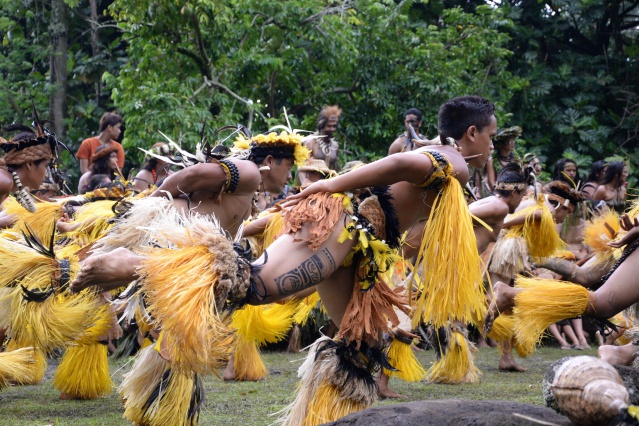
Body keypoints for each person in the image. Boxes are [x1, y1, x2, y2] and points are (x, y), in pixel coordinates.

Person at [70, 95, 497, 425]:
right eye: (491, 137)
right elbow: (402, 161)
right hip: (342, 229)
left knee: (359, 350)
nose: (493, 146)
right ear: (472, 132)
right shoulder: (453, 161)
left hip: (359, 248)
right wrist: (328, 187)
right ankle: (131, 265)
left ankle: (325, 418)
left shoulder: (444, 158)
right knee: (254, 287)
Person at [0, 132, 55, 212]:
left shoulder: (7, 181)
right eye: (46, 166)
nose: (47, 175)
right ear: (29, 164)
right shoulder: (5, 181)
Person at [304, 105, 341, 171]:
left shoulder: (335, 146)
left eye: (334, 126)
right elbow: (303, 168)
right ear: (321, 125)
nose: (332, 129)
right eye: (329, 126)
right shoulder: (310, 143)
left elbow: (335, 169)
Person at [486, 126, 521, 190]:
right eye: (509, 140)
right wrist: (505, 190)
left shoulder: (516, 159)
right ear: (501, 143)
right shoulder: (492, 160)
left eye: (513, 139)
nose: (512, 142)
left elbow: (521, 180)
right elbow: (491, 184)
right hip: (498, 192)